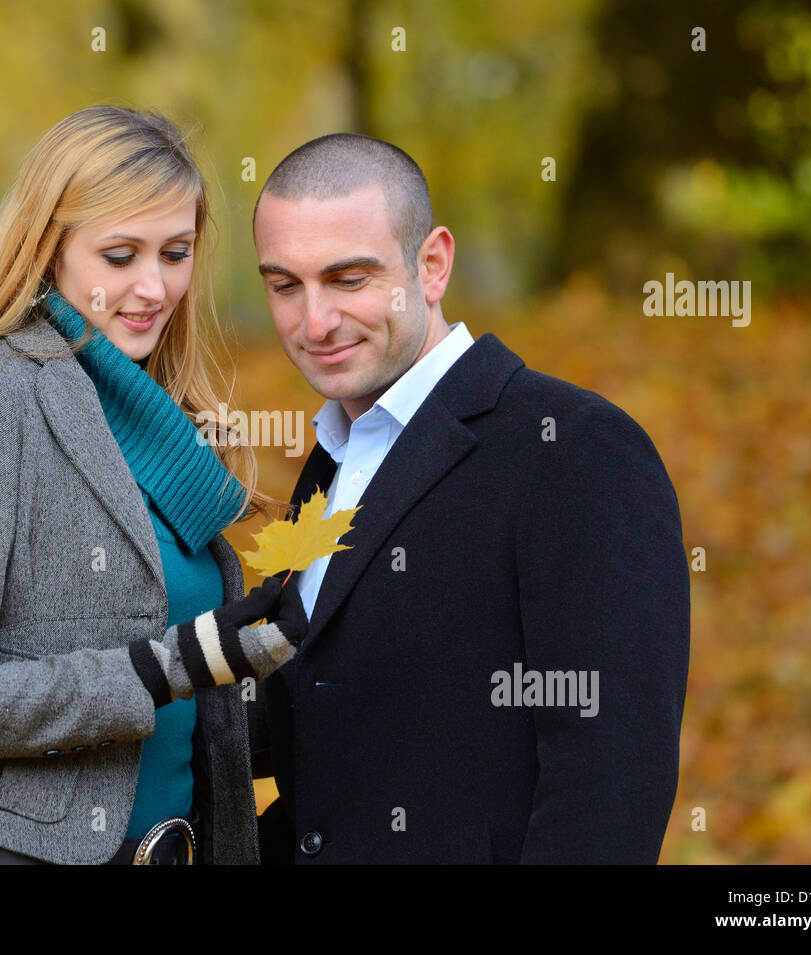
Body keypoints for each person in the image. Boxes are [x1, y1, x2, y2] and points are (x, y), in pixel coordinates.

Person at [248, 133, 690, 864]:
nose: (314, 322)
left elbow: (608, 782)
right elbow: (321, 726)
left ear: (432, 264)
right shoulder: (334, 458)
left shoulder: (575, 448)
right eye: (284, 285)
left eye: (348, 279)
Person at [0, 105, 307, 865]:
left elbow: (193, 697)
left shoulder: (167, 419)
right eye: (120, 256)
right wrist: (161, 664)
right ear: (51, 249)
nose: (154, 286)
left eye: (175, 252)